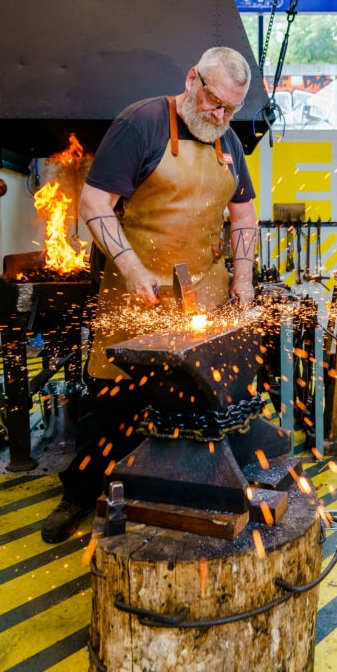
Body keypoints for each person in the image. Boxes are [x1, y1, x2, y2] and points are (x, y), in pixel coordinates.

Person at [41, 47, 258, 542]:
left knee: (198, 401)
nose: (220, 117)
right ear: (192, 79)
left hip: (204, 292)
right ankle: (78, 494)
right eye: (214, 103)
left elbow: (243, 215)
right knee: (111, 401)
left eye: (231, 110)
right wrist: (133, 268)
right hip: (138, 289)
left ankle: (180, 493)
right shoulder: (141, 123)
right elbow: (94, 203)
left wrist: (242, 281)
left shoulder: (228, 143)